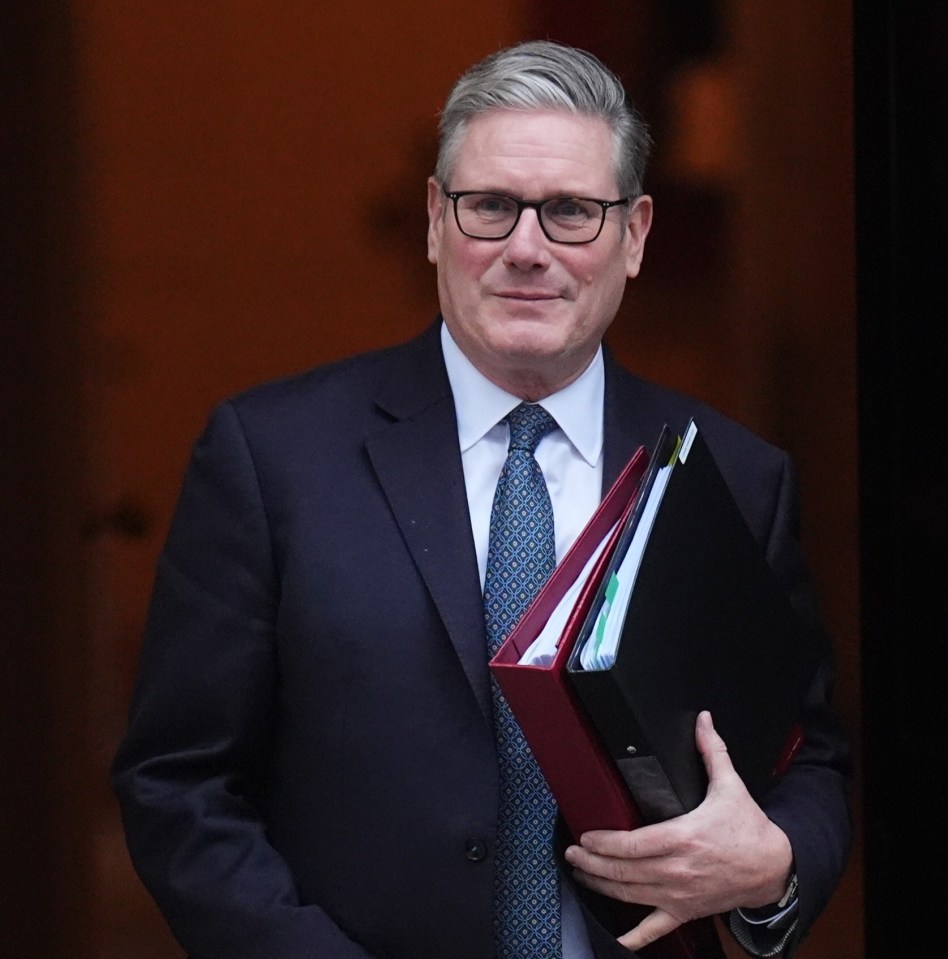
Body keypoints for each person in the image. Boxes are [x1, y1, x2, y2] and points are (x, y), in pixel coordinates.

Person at [111, 39, 852, 959]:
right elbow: (179, 784)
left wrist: (772, 862)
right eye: (491, 207)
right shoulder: (271, 460)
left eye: (573, 212)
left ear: (636, 236)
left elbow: (809, 758)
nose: (526, 250)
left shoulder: (738, 475)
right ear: (434, 220)